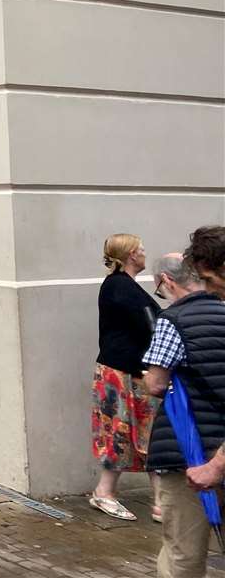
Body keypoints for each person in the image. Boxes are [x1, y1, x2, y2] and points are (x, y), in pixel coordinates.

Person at [146, 226, 225, 578]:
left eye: (212, 279)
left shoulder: (172, 321)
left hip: (190, 452)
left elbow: (156, 383)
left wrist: (215, 466)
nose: (211, 290)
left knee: (184, 555)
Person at [87, 233, 158, 521]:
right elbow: (150, 323)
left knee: (148, 434)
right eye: (141, 249)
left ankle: (161, 502)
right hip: (119, 373)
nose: (144, 253)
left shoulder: (126, 286)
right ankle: (105, 493)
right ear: (130, 255)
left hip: (132, 371)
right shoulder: (120, 287)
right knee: (119, 433)